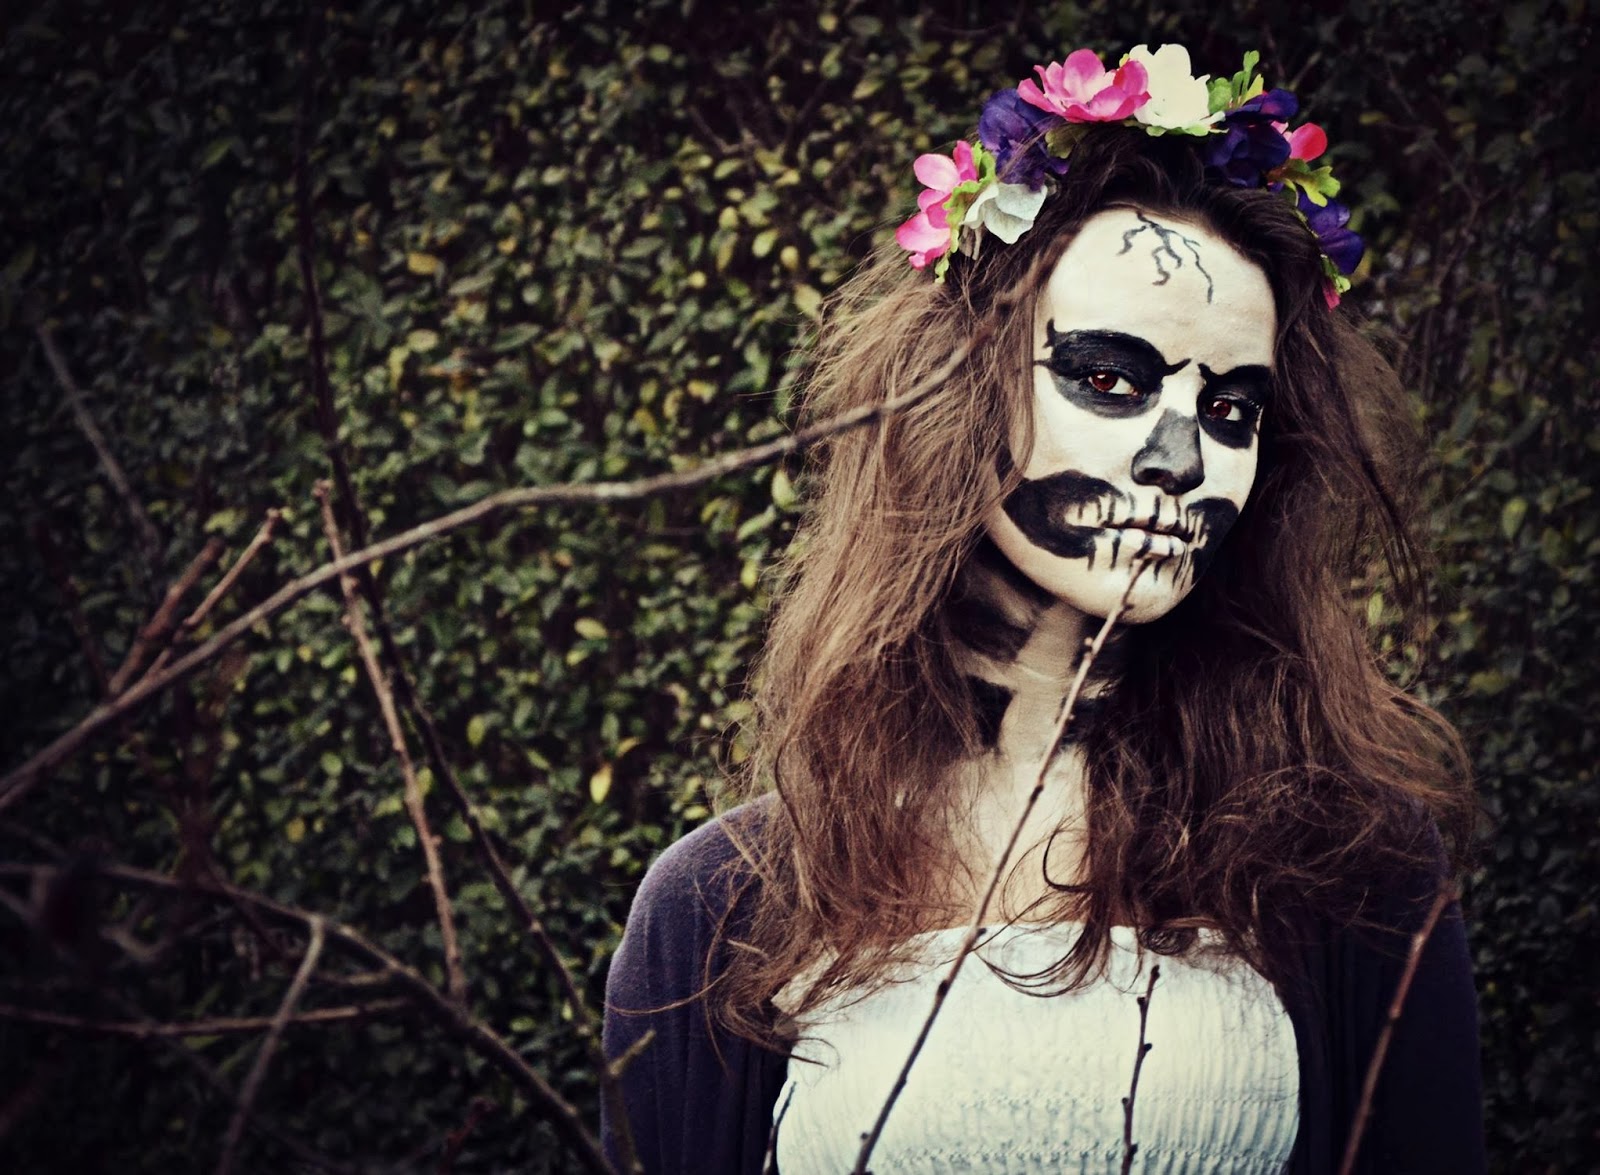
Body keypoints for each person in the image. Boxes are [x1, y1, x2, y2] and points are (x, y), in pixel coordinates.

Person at [602, 44, 1484, 1175]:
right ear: (957, 396)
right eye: (1110, 379)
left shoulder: (1345, 862)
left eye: (1231, 409)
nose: (1181, 461)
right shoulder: (728, 903)